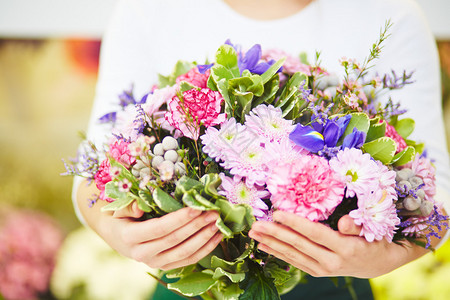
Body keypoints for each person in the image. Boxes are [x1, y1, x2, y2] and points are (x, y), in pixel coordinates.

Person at [73, 0, 450, 298]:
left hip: (335, 287)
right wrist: (115, 227)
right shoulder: (146, 8)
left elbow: (440, 195)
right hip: (189, 286)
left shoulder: (393, 12)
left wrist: (391, 254)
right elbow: (92, 168)